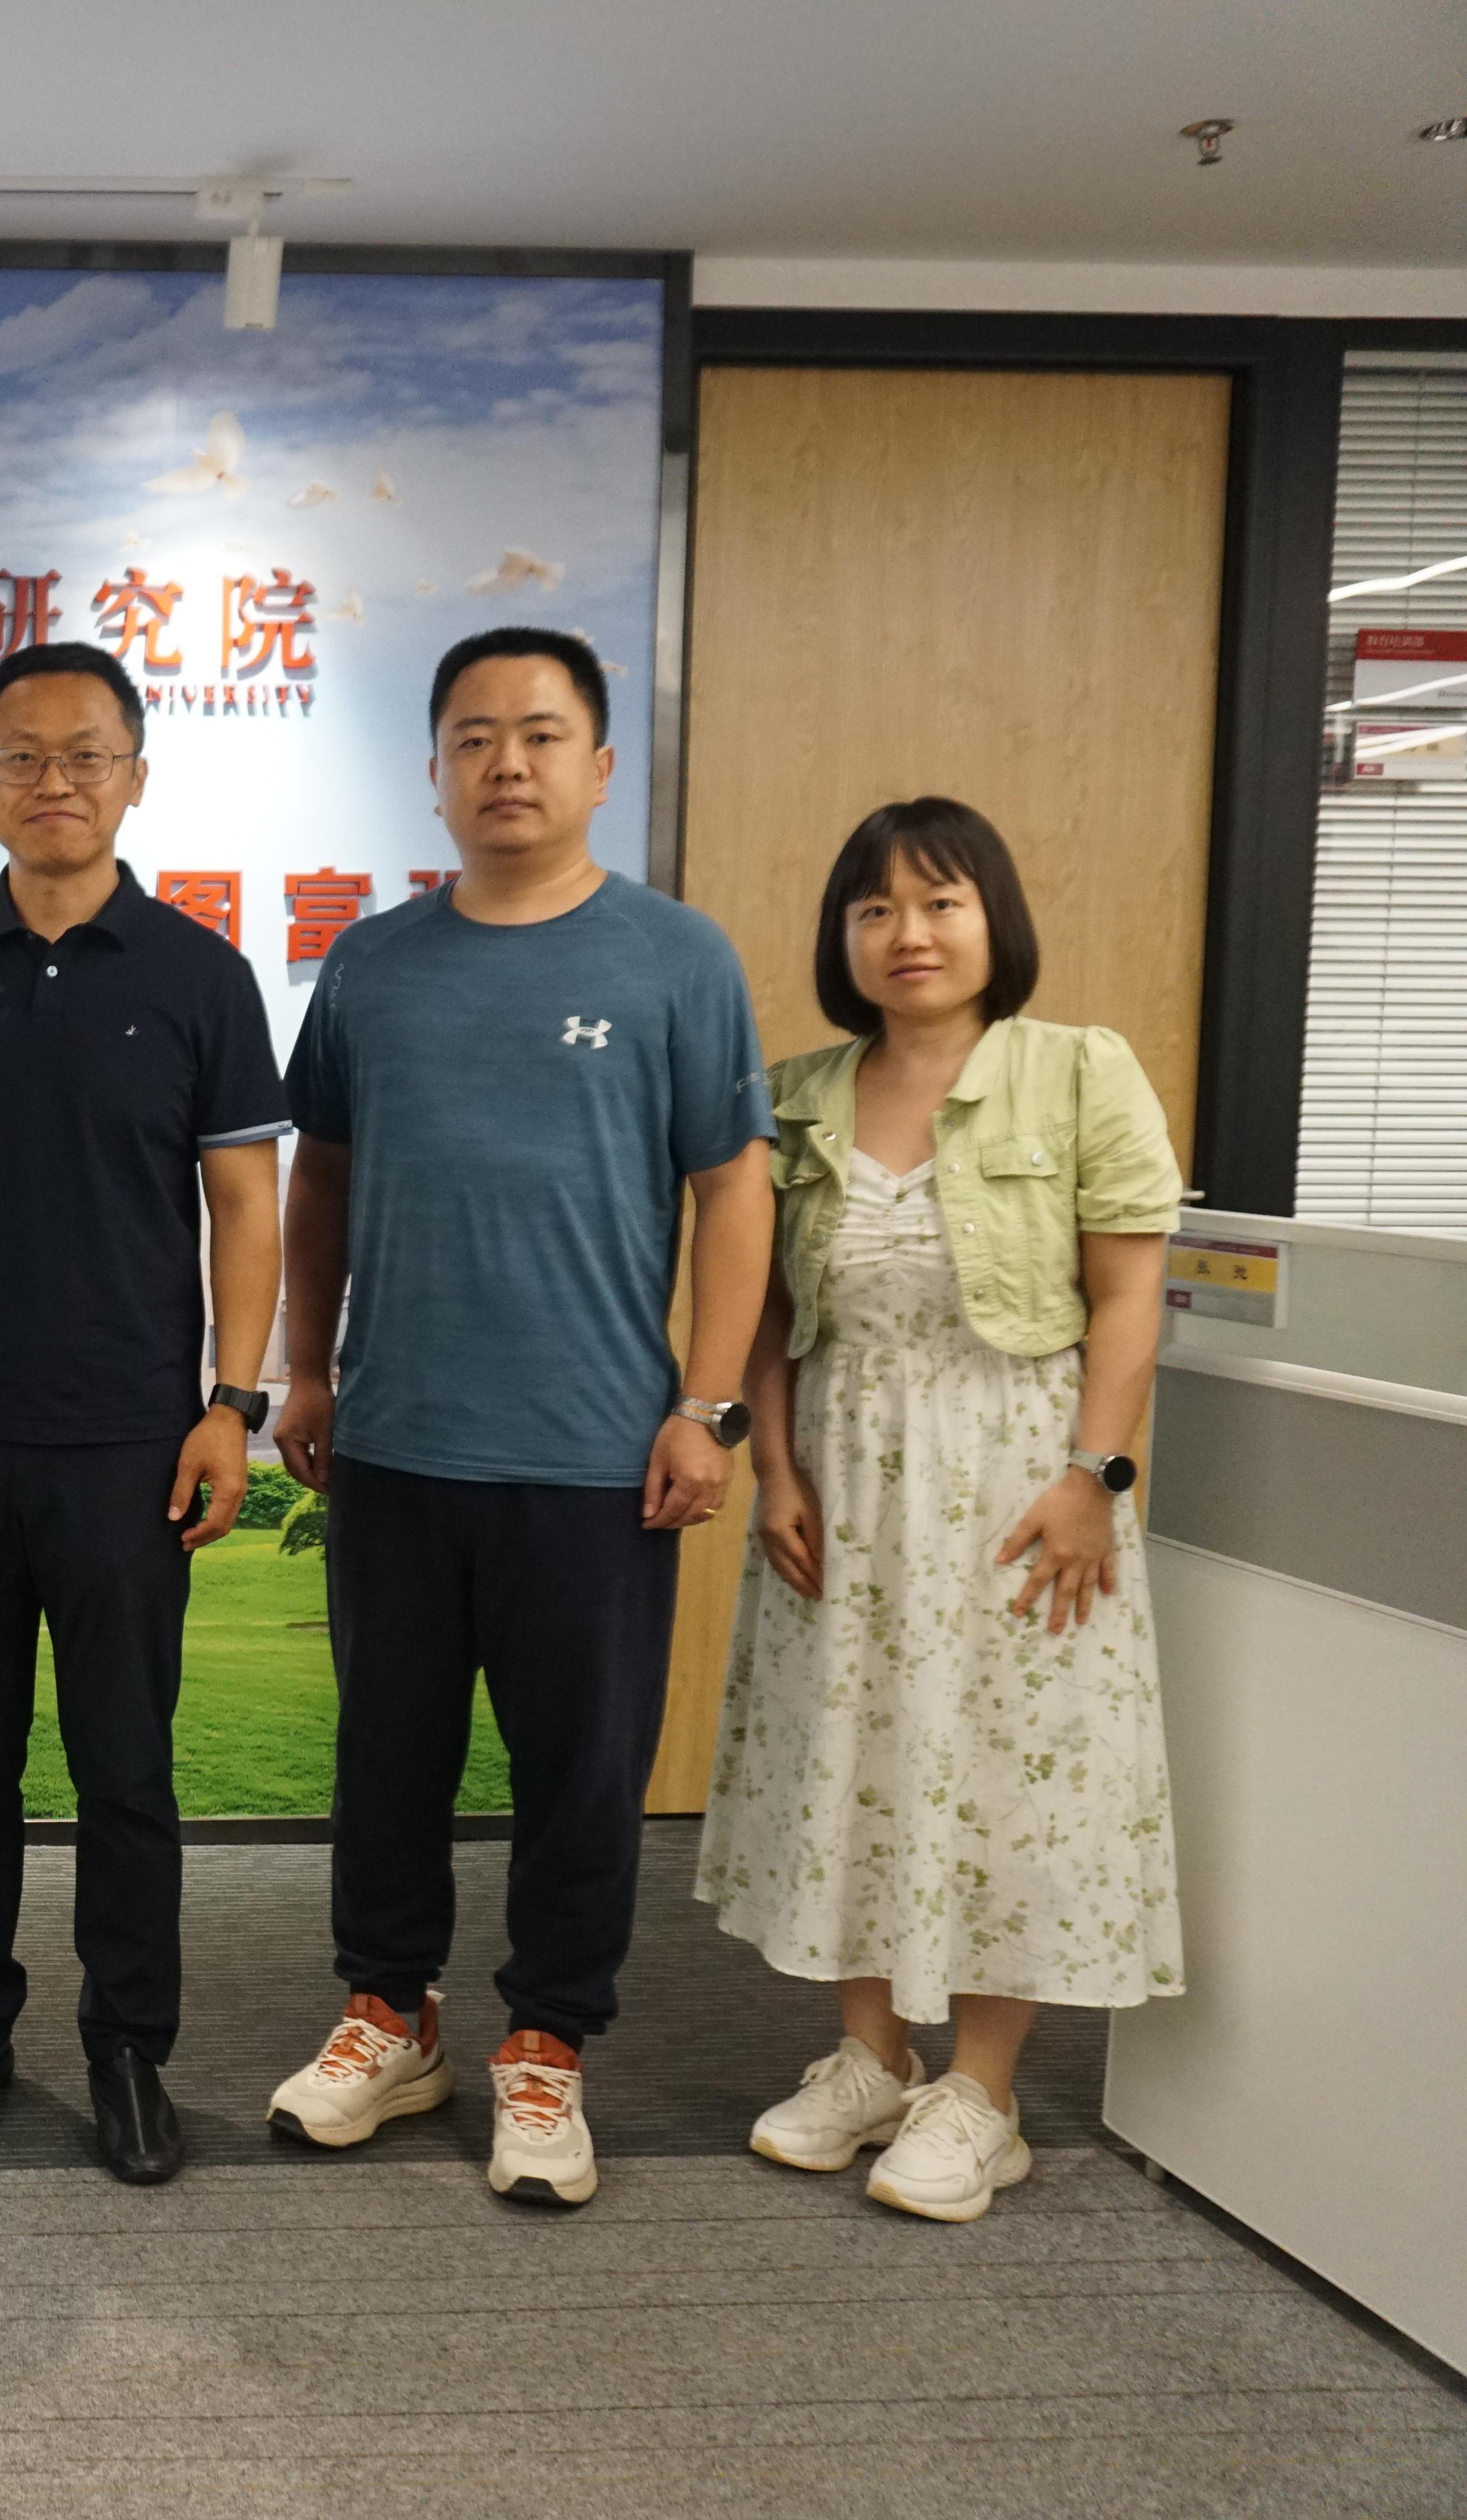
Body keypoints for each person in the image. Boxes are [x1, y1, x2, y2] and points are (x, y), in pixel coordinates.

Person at [268, 627, 774, 2209]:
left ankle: (549, 2042)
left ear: (600, 765)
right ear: (432, 770)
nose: (507, 762)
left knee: (582, 1770)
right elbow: (321, 1175)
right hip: (399, 1442)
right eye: (474, 736)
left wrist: (708, 1405)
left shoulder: (675, 958)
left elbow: (735, 1190)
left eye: (542, 734)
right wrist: (305, 1366)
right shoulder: (372, 964)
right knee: (388, 1756)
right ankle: (391, 2013)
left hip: (595, 1453)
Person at [698, 799, 1182, 2223]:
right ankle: (870, 2056)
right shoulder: (795, 1094)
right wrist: (777, 1470)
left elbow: (1130, 1293)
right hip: (843, 1470)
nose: (907, 934)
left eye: (940, 902)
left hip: (1023, 1473)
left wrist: (1096, 1476)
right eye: (875, 910)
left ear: (993, 920)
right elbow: (764, 1310)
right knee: (851, 1750)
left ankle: (983, 2092)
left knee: (1006, 1764)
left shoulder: (1077, 1069)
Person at [0, 641, 286, 2185]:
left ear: (136, 776)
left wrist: (232, 1401)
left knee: (125, 1765)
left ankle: (129, 2046)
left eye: (86, 754)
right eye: (23, 757)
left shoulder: (200, 972)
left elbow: (247, 1203)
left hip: (129, 1439)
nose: (55, 782)